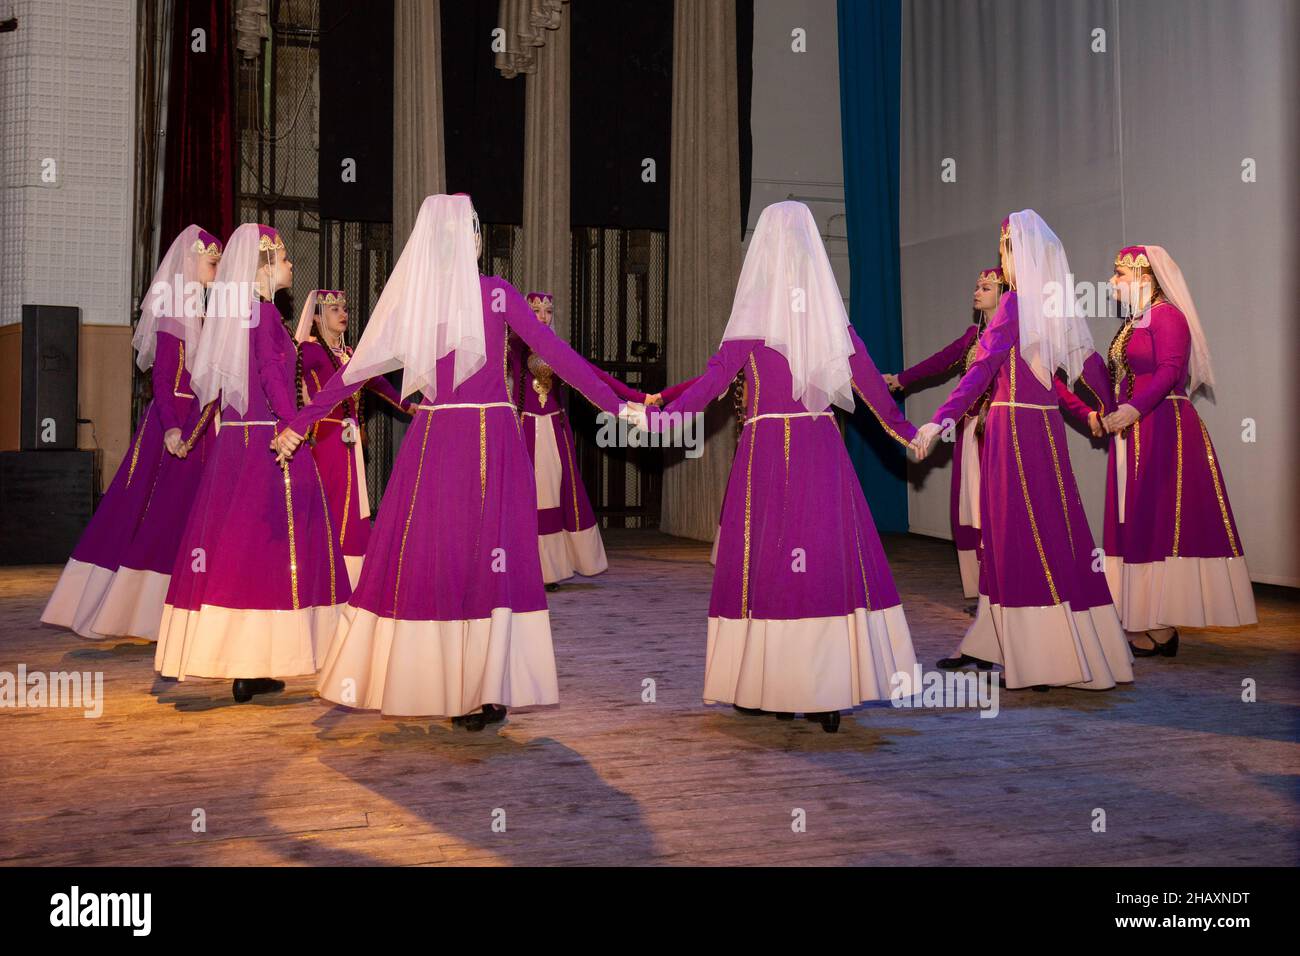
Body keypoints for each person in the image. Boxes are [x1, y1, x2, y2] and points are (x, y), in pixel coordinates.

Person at [275, 194, 635, 730]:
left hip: (438, 446)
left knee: (447, 560)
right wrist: (618, 401)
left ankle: (458, 685)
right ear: (468, 240)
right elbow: (557, 354)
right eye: (471, 231)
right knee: (485, 561)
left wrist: (299, 425)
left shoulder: (424, 304)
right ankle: (483, 688)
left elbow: (353, 375)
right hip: (488, 443)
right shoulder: (494, 294)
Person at [641, 201, 920, 732]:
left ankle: (764, 684)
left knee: (766, 565)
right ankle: (824, 690)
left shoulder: (752, 320)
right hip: (819, 452)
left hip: (767, 453)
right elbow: (872, 391)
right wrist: (912, 434)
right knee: (818, 562)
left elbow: (711, 385)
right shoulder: (831, 320)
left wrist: (659, 422)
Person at [912, 211, 1132, 691]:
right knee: (1049, 532)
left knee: (1018, 536)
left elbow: (981, 370)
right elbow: (1075, 373)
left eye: (1006, 250)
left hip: (1012, 430)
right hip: (1044, 430)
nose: (1003, 259)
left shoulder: (1015, 306)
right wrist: (1107, 411)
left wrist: (940, 419)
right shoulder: (1050, 308)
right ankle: (1001, 641)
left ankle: (1041, 654)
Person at [154, 224, 348, 703]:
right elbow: (267, 374)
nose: (289, 266)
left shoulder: (238, 316)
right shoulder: (261, 315)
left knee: (239, 555)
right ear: (263, 264)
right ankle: (255, 661)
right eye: (283, 258)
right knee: (277, 556)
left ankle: (248, 662)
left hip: (235, 450)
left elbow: (216, 397)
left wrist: (189, 433)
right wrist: (291, 424)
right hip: (269, 449)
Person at [1054, 245, 1256, 655]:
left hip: (1163, 427)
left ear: (1144, 277)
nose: (1112, 283)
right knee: (1136, 521)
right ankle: (1143, 620)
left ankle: (1159, 623)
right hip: (1135, 429)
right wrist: (1101, 406)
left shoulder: (1168, 317)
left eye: (1119, 275)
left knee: (1159, 519)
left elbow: (1168, 371)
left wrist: (1131, 410)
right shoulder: (1134, 323)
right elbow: (1119, 377)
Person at [42, 226, 222, 640]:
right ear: (190, 261)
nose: (217, 265)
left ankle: (177, 611)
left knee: (184, 516)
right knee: (150, 511)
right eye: (211, 259)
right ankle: (128, 609)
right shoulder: (174, 313)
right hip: (174, 428)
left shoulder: (201, 312)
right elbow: (163, 378)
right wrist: (175, 427)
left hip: (200, 427)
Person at [884, 267, 1006, 600]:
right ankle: (983, 587)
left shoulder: (1010, 333)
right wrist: (901, 379)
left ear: (1003, 293)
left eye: (985, 287)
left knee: (991, 503)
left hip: (995, 430)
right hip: (968, 428)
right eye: (976, 286)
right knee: (969, 505)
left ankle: (1001, 585)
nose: (977, 292)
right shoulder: (972, 336)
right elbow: (941, 361)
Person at [294, 289, 411, 589]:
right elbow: (286, 376)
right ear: (317, 318)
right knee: (330, 504)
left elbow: (381, 385)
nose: (343, 313)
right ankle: (324, 574)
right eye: (334, 310)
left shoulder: (351, 355)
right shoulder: (309, 351)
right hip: (325, 438)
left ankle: (353, 579)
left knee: (354, 507)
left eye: (344, 308)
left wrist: (412, 406)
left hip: (350, 441)